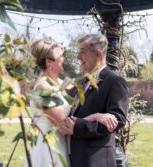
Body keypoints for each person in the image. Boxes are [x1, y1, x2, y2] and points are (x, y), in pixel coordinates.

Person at [27, 39, 115, 167]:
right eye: (60, 56)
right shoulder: (42, 89)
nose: (64, 59)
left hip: (62, 147)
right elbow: (64, 125)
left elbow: (83, 93)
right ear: (49, 62)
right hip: (48, 150)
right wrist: (98, 116)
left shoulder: (59, 83)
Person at [62, 34, 129, 167]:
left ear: (98, 54)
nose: (78, 57)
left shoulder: (115, 82)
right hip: (74, 156)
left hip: (96, 159)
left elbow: (118, 120)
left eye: (82, 52)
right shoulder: (80, 82)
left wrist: (79, 127)